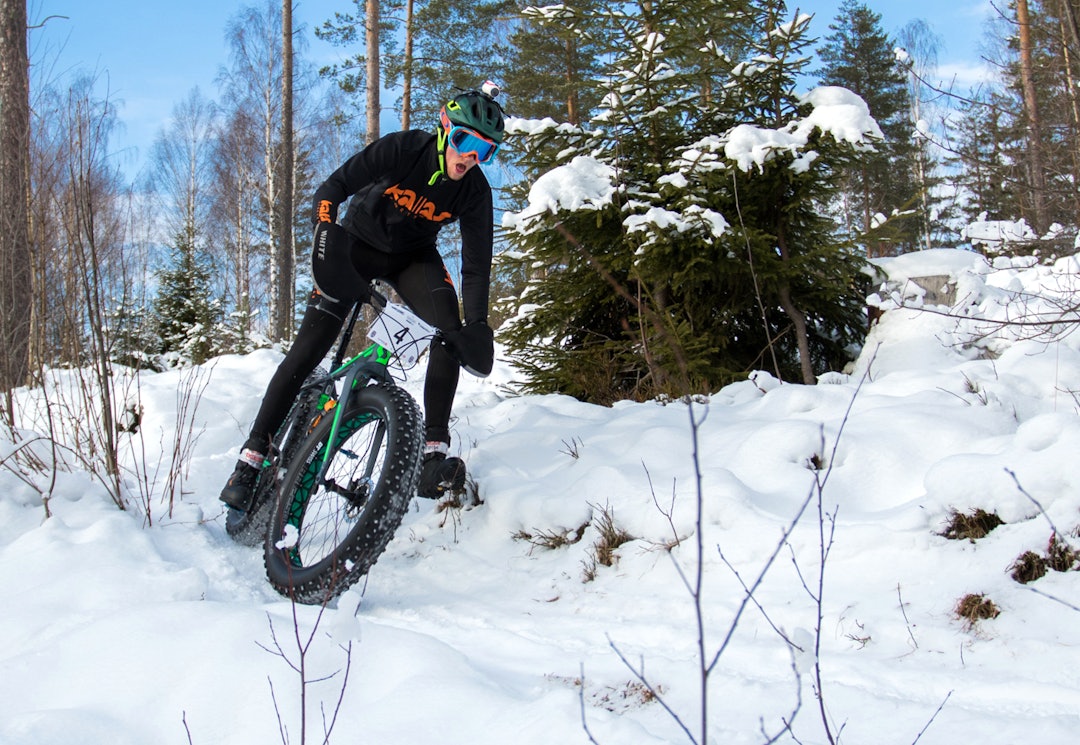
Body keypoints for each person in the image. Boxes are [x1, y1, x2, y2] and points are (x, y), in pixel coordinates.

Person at [220, 82, 504, 510]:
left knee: (452, 334)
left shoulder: (475, 192)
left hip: (412, 260)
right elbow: (332, 189)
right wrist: (325, 234)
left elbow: (476, 265)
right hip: (355, 245)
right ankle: (251, 458)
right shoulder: (404, 148)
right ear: (445, 128)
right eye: (465, 141)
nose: (470, 157)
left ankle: (432, 455)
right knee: (309, 349)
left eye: (485, 150)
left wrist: (478, 326)